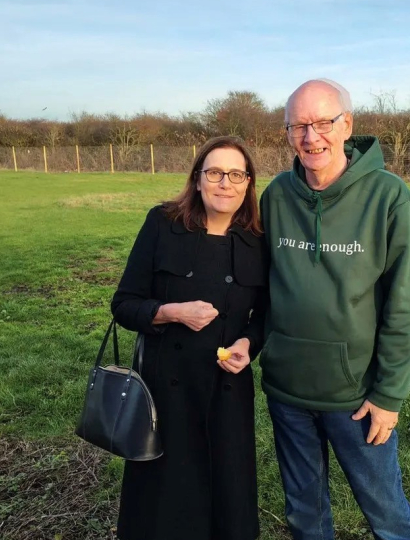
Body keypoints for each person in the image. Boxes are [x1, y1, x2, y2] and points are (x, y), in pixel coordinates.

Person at [259, 79, 410, 540]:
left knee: (386, 513)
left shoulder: (390, 198)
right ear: (287, 131)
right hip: (288, 390)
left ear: (346, 125)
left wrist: (389, 396)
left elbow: (403, 304)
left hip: (357, 397)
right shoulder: (275, 196)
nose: (312, 137)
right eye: (298, 126)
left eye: (323, 123)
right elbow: (258, 286)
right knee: (304, 515)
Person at [111, 136, 267, 540]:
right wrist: (170, 312)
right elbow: (124, 304)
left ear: (248, 183)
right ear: (197, 179)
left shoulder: (258, 240)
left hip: (228, 389)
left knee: (226, 492)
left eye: (236, 174)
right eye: (214, 172)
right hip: (167, 388)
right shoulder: (163, 224)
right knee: (167, 498)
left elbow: (265, 315)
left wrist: (248, 345)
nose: (224, 183)